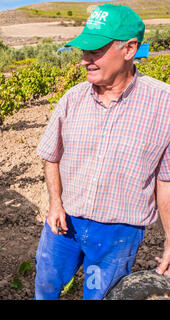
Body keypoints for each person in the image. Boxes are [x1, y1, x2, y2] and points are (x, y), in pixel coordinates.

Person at [34, 4, 170, 300]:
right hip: (64, 223)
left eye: (95, 51)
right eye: (83, 51)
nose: (85, 60)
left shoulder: (164, 104)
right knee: (46, 287)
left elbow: (166, 180)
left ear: (130, 49)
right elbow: (51, 156)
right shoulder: (72, 99)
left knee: (100, 296)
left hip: (118, 234)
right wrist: (55, 204)